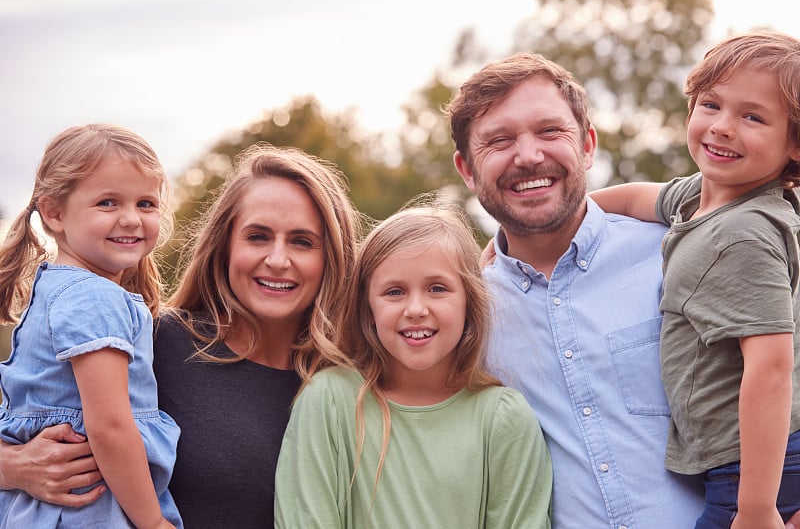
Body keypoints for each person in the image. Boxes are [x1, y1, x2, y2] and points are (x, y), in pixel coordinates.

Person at [446, 51, 800, 529]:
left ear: (588, 145)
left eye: (550, 132)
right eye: (499, 140)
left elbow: (778, 364)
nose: (529, 155)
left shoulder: (686, 251)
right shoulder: (463, 317)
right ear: (467, 171)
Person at [0, 142, 361, 527]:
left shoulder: (353, 387)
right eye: (257, 237)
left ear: (332, 257)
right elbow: (32, 410)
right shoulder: (152, 341)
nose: (276, 259)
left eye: (302, 242)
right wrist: (14, 466)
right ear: (225, 246)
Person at [588, 31, 800, 529]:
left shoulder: (743, 234)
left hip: (757, 471)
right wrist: (560, 220)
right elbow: (640, 197)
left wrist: (754, 510)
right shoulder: (704, 198)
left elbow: (770, 367)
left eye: (752, 116)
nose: (723, 127)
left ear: (794, 144)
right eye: (711, 105)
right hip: (749, 466)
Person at [274, 201, 553, 528]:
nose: (416, 309)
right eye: (394, 292)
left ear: (469, 300)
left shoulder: (504, 418)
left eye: (437, 288)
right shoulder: (330, 401)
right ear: (368, 310)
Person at [0, 124, 181, 528]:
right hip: (89, 508)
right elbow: (110, 426)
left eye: (146, 204)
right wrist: (152, 522)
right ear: (54, 213)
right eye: (108, 202)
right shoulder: (92, 297)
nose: (132, 219)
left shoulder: (57, 288)